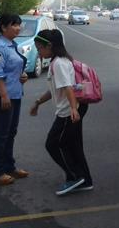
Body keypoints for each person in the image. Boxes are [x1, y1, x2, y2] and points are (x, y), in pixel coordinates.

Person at [30, 29, 93, 196]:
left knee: (54, 144)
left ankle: (75, 176)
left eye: (39, 48)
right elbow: (55, 90)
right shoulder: (58, 61)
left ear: (49, 46)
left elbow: (67, 87)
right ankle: (85, 180)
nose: (39, 52)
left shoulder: (59, 63)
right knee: (73, 145)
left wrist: (73, 109)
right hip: (72, 108)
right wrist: (38, 102)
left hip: (68, 111)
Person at [0, 13, 29, 186]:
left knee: (11, 133)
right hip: (3, 97)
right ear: (3, 27)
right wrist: (4, 95)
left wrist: (23, 76)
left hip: (15, 94)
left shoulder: (12, 45)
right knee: (1, 134)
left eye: (19, 25)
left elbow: (14, 68)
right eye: (14, 25)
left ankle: (9, 167)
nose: (18, 28)